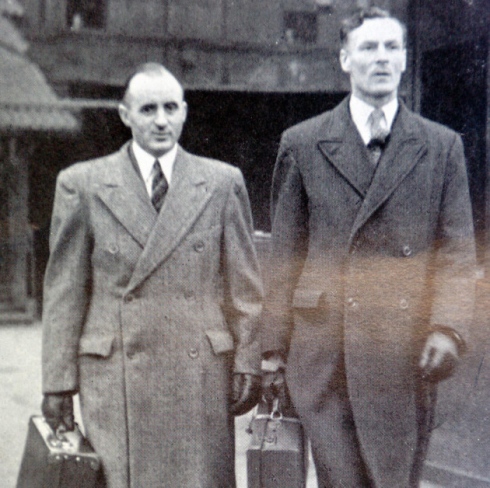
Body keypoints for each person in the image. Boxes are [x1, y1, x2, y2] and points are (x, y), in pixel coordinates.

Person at [262, 7, 476, 488]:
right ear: (344, 59)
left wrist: (448, 327)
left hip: (404, 352)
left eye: (391, 47)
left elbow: (457, 254)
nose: (381, 58)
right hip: (325, 353)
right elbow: (285, 256)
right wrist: (272, 350)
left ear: (404, 60)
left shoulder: (442, 147)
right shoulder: (304, 142)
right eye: (368, 48)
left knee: (394, 478)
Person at [40, 62, 263, 488]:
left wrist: (248, 360)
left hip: (199, 374)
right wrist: (57, 383)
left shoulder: (220, 182)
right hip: (115, 377)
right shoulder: (83, 185)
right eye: (147, 110)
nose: (161, 121)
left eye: (170, 108)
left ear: (184, 111)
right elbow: (64, 292)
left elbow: (245, 287)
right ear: (125, 115)